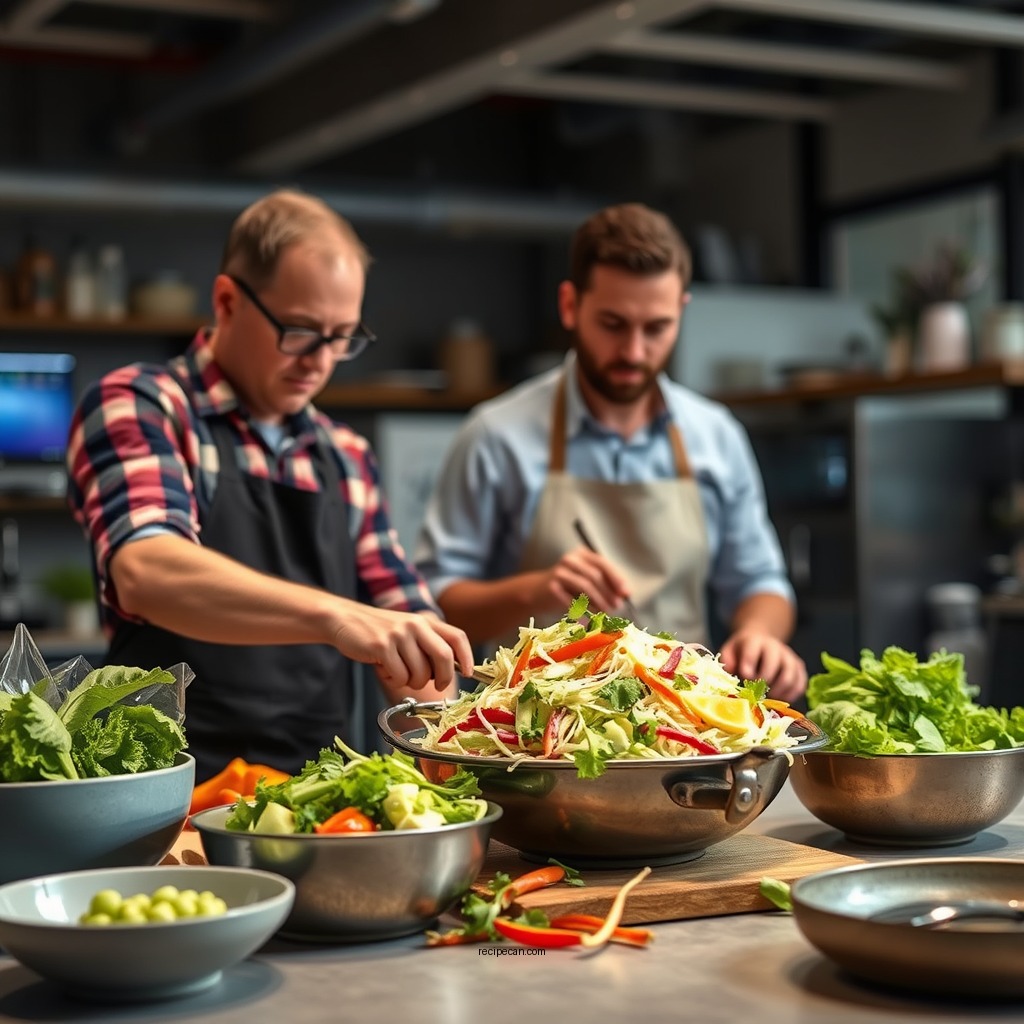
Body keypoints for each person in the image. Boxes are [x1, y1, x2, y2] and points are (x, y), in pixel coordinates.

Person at [66, 189, 472, 781]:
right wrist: (337, 616)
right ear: (227, 300)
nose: (321, 360)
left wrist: (452, 766)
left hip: (312, 800)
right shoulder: (143, 405)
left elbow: (405, 629)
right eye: (301, 330)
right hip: (160, 800)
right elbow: (147, 570)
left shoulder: (345, 455)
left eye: (343, 337)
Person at [415, 202, 806, 700]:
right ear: (570, 306)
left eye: (656, 327)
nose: (634, 351)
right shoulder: (497, 436)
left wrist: (760, 634)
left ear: (681, 310)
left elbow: (761, 581)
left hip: (684, 727)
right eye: (614, 324)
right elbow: (439, 602)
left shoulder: (716, 435)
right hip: (539, 736)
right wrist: (538, 590)